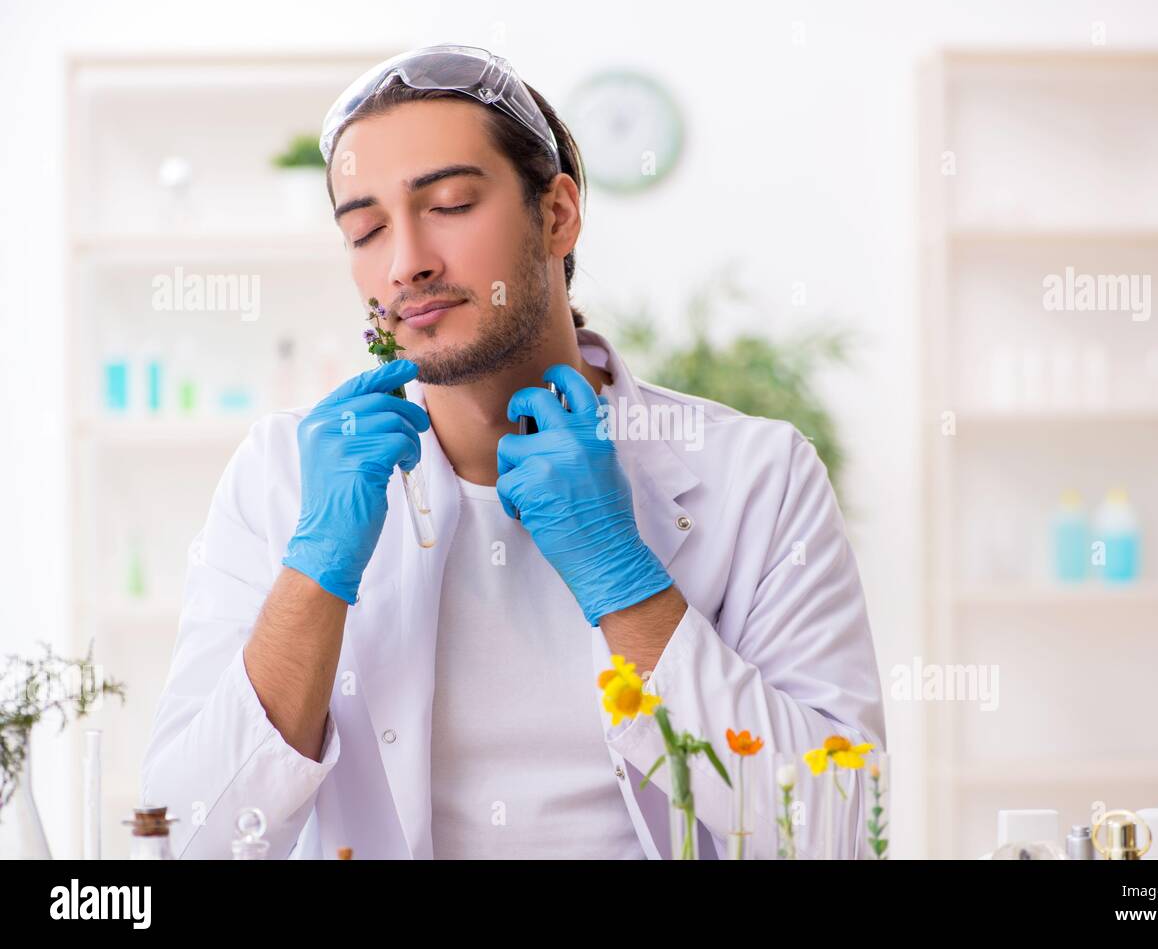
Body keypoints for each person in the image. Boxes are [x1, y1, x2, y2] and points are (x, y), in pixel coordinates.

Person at [142, 44, 885, 859]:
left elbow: (840, 831)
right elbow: (181, 845)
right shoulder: (281, 477)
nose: (405, 262)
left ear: (557, 214)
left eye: (452, 204)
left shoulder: (759, 476)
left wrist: (622, 578)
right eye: (365, 228)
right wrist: (316, 564)